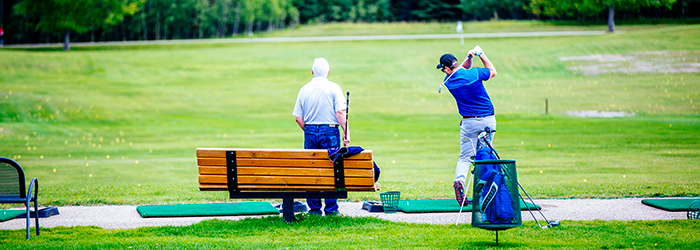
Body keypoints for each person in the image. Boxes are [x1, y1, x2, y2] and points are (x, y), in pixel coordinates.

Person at [436, 46, 497, 206]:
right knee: (485, 155)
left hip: (469, 123)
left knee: (465, 157)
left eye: (443, 69)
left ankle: (460, 181)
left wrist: (469, 57)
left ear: (447, 68)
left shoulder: (448, 82)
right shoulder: (475, 73)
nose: (443, 72)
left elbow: (460, 69)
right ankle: (485, 188)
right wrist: (480, 54)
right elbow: (492, 71)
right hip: (487, 121)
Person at [293, 57, 349, 216]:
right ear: (328, 72)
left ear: (312, 72)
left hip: (310, 131)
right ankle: (331, 210)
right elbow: (340, 113)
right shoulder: (334, 87)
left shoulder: (304, 89)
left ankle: (314, 210)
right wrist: (346, 132)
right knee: (333, 169)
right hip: (330, 131)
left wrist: (310, 131)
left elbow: (298, 118)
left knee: (312, 169)